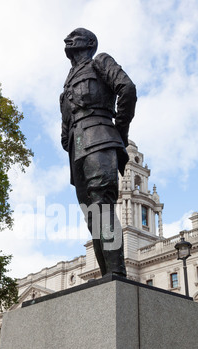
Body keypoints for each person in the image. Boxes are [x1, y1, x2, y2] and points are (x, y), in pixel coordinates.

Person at [60, 28, 137, 277]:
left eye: (75, 36)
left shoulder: (100, 61)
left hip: (101, 138)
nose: (67, 40)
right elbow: (66, 123)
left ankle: (117, 272)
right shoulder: (68, 81)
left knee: (102, 205)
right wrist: (67, 139)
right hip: (78, 148)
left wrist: (119, 133)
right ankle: (107, 276)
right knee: (91, 215)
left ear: (89, 42)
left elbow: (127, 89)